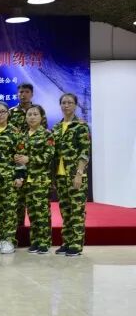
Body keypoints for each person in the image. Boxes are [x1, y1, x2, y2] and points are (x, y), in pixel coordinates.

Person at [52, 93, 91, 257]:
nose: (66, 105)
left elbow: (84, 152)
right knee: (65, 211)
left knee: (76, 210)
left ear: (75, 105)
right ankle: (67, 242)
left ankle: (76, 244)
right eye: (63, 102)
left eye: (70, 102)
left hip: (75, 175)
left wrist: (79, 174)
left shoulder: (81, 127)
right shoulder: (56, 128)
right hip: (60, 176)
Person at [14, 105, 55, 254]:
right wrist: (18, 160)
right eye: (29, 114)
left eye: (35, 114)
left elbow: (48, 155)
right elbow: (19, 156)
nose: (32, 117)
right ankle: (35, 241)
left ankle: (44, 242)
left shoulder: (47, 135)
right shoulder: (23, 135)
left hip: (40, 179)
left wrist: (29, 159)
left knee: (41, 212)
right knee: (31, 211)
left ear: (41, 117)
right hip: (26, 180)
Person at [0, 102, 24, 254]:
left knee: (9, 209)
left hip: (9, 177)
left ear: (8, 113)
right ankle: (1, 239)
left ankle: (9, 240)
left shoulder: (15, 132)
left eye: (3, 111)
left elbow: (20, 155)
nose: (0, 114)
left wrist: (20, 176)